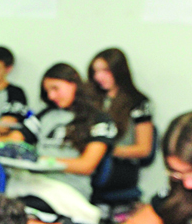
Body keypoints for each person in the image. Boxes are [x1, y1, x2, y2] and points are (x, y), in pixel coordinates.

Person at [12, 63, 116, 202]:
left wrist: (43, 161)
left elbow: (87, 165)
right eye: (47, 91)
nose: (51, 96)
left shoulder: (99, 119)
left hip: (68, 188)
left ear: (73, 83)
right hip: (34, 182)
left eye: (55, 88)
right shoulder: (45, 115)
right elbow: (15, 138)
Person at [88, 48, 154, 193]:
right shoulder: (92, 100)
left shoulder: (138, 103)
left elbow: (144, 149)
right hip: (93, 162)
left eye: (105, 71)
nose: (99, 77)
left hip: (119, 166)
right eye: (96, 72)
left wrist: (106, 151)